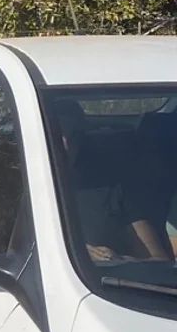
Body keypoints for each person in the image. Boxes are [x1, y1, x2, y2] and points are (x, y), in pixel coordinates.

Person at [53, 99, 171, 264]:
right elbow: (14, 260)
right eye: (55, 134)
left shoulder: (114, 191)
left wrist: (116, 260)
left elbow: (160, 262)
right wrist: (72, 255)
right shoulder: (29, 191)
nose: (65, 143)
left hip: (106, 287)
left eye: (73, 134)